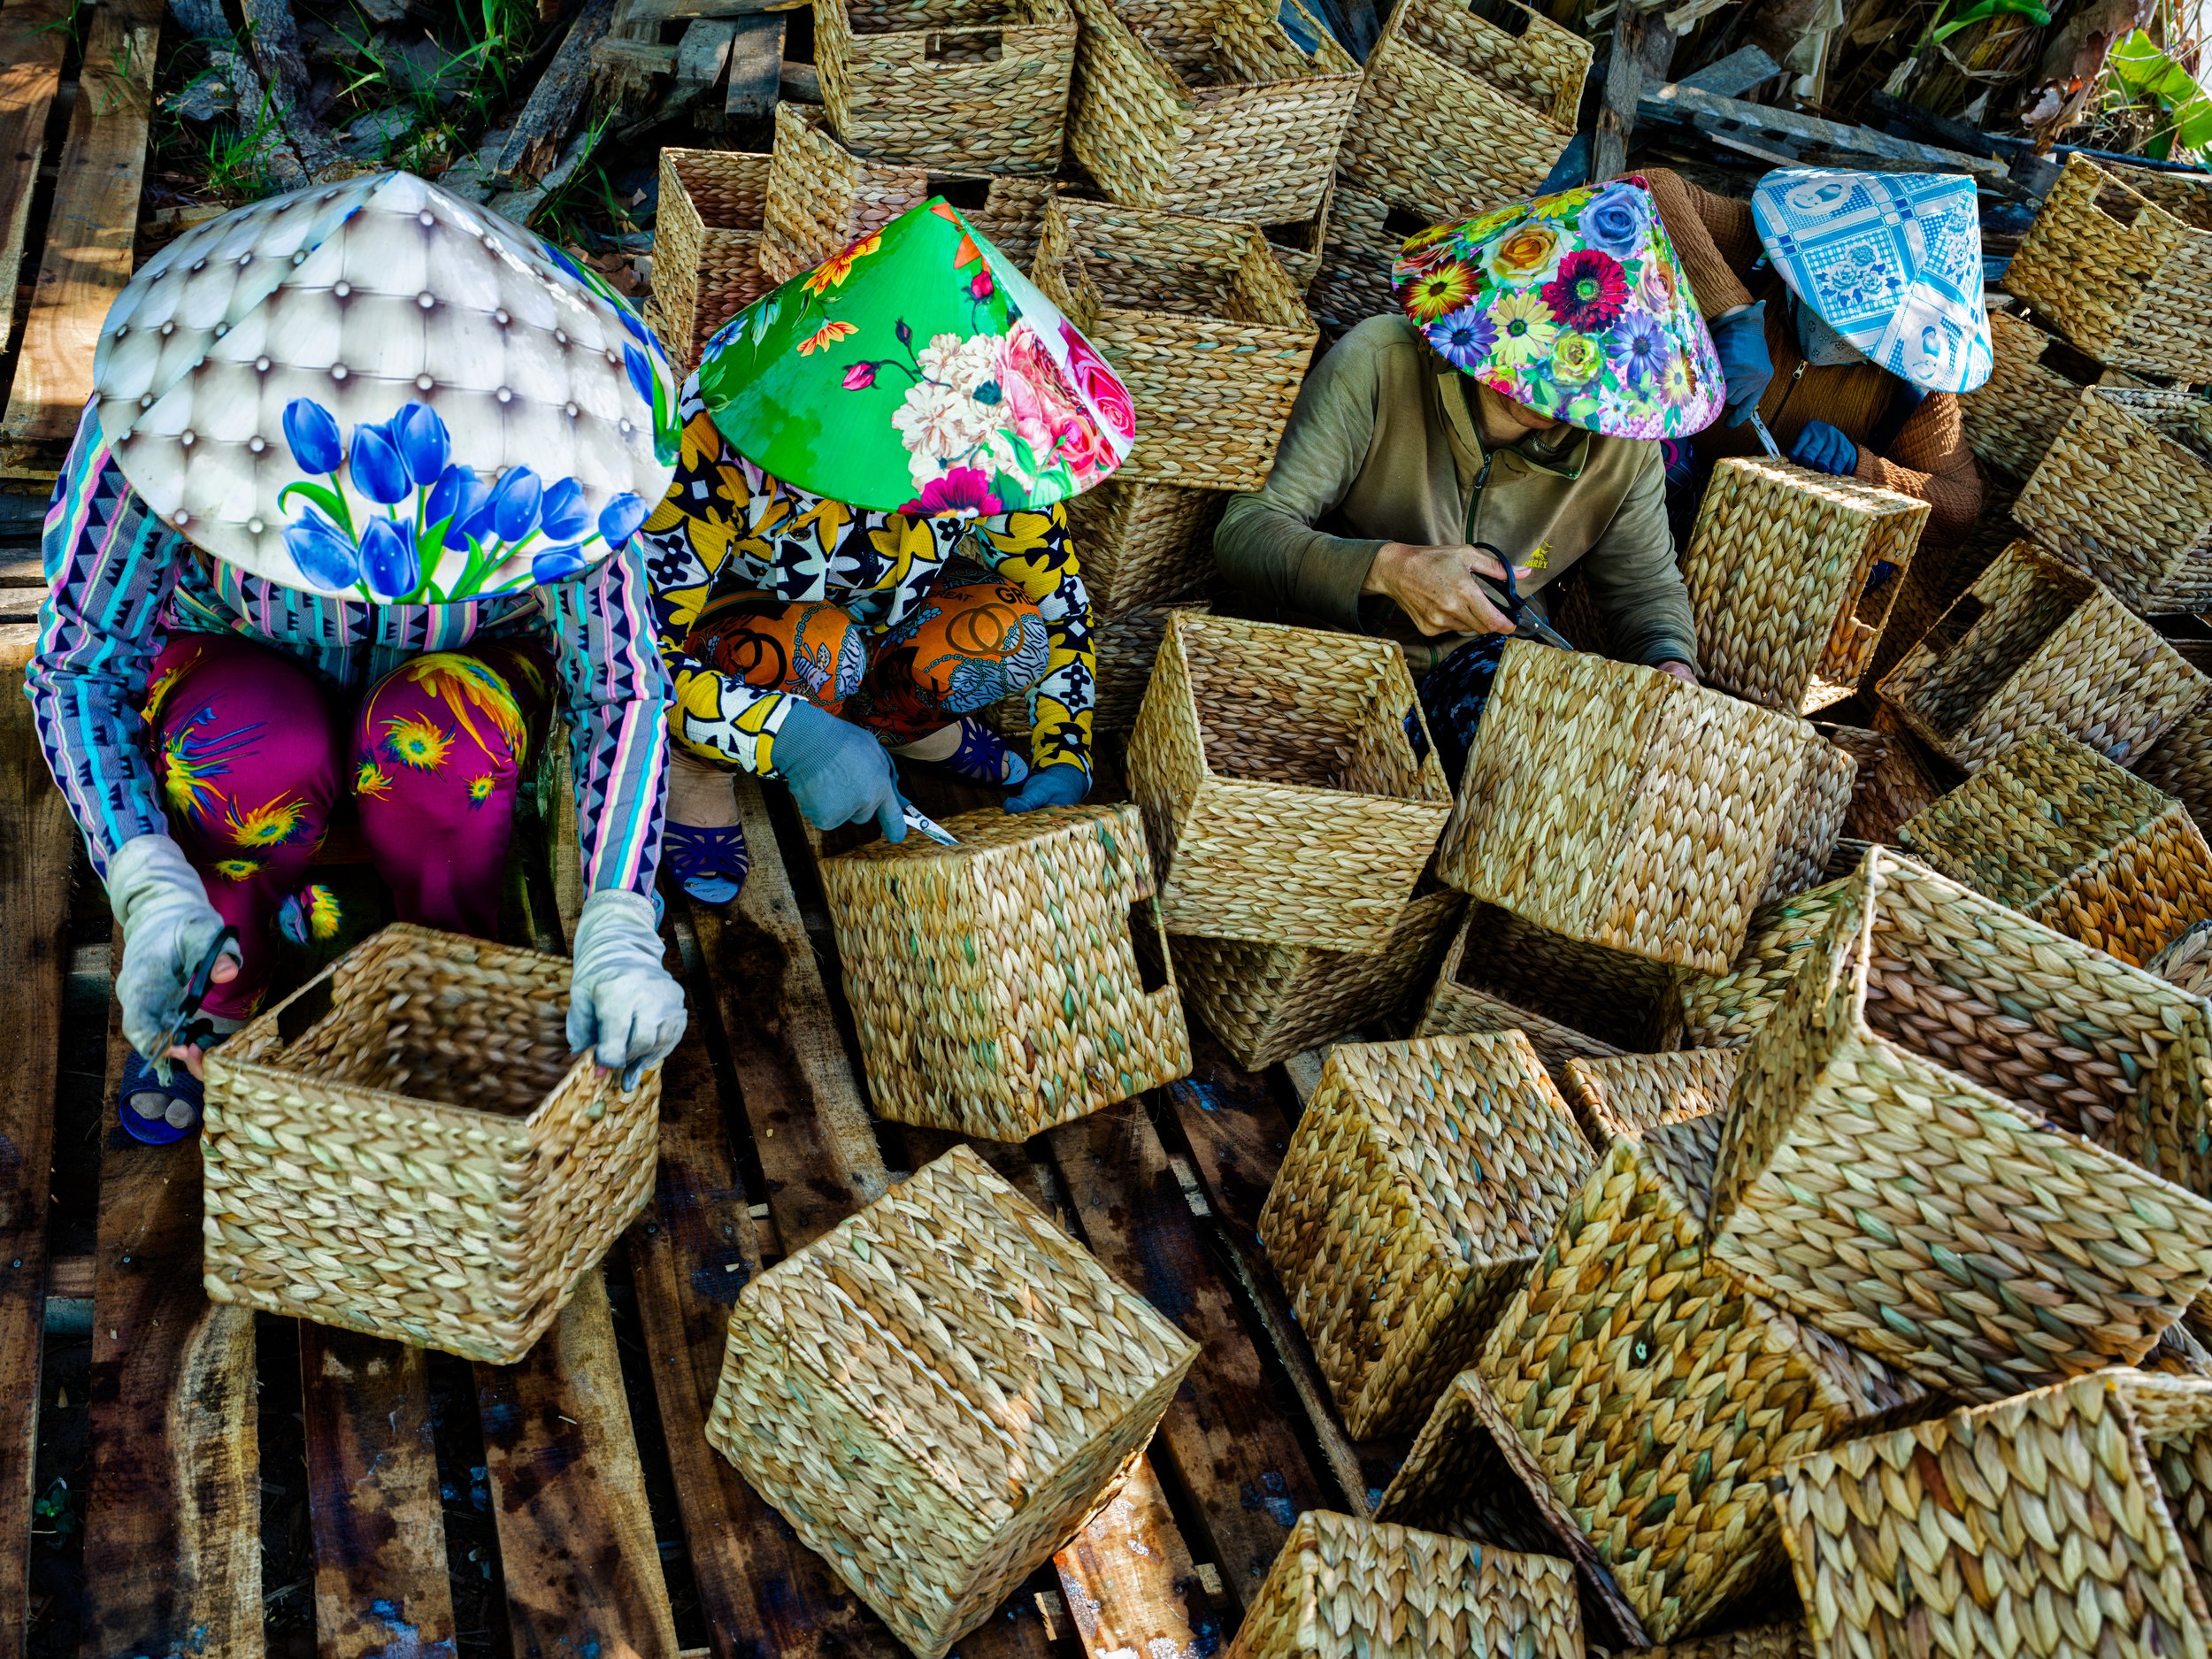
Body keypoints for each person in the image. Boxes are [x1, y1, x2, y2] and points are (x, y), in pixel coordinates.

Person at [27, 172, 688, 1143]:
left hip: (454, 678)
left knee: (441, 735)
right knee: (248, 745)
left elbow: (620, 689)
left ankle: (454, 965)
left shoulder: (564, 437)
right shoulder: (175, 395)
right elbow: (82, 662)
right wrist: (145, 879)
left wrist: (621, 913)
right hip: (238, 663)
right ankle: (218, 963)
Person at [639, 198, 1135, 902]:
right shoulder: (718, 434)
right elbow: (644, 654)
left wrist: (1067, 751)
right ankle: (698, 765)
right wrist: (788, 736)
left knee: (1015, 633)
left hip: (875, 631)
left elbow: (1059, 602)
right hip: (741, 633)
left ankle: (896, 726)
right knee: (824, 649)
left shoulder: (993, 446)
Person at [1214, 176, 1718, 776]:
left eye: (1573, 379)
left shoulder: (1623, 450)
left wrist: (1671, 666)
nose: (1544, 397)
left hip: (1484, 690)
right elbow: (1245, 533)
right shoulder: (1380, 363)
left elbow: (1646, 593)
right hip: (1329, 673)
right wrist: (1389, 569)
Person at [1640, 167, 1990, 547]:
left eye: (1869, 339)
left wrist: (1861, 466)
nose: (1846, 339)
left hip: (1761, 543)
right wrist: (1730, 313)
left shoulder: (1917, 374)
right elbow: (1647, 186)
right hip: (1656, 470)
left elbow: (1962, 508)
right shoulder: (1760, 252)